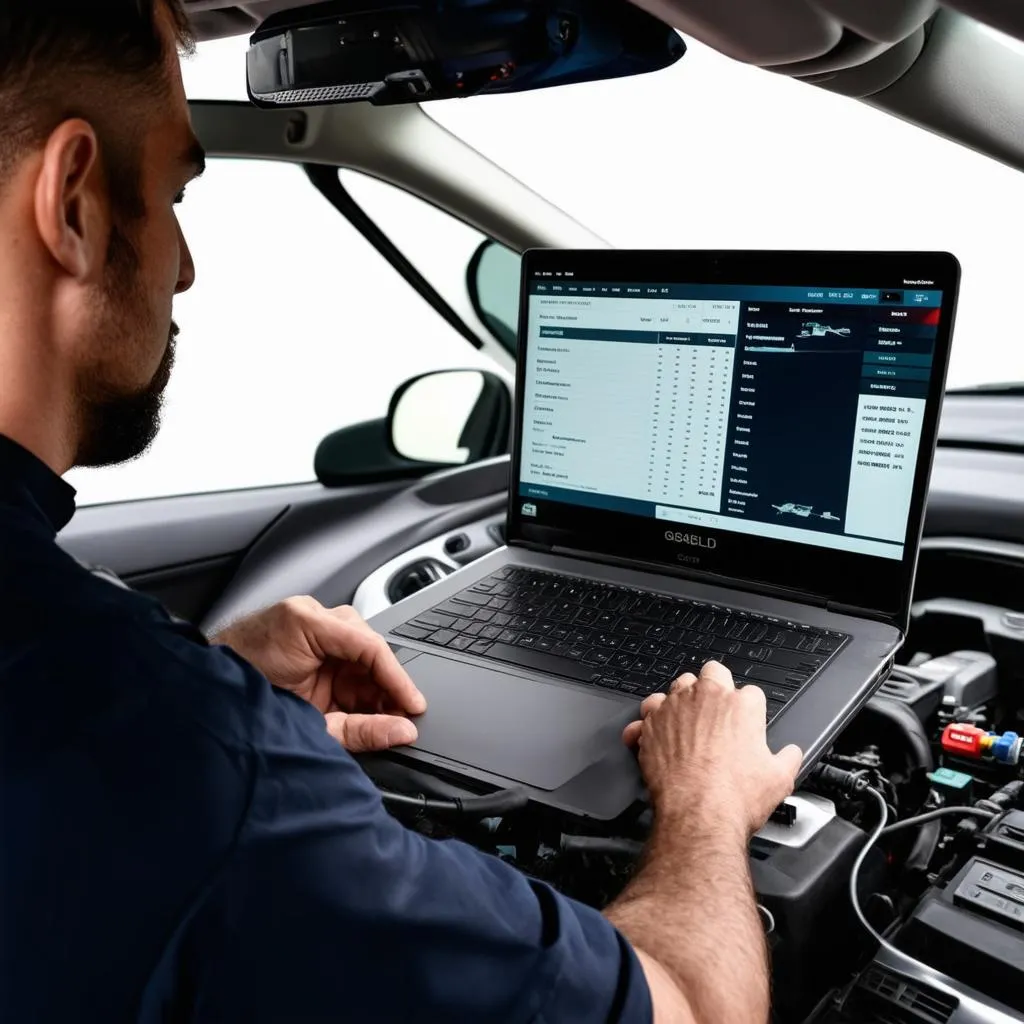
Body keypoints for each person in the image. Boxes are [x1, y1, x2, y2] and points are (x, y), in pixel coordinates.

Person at [0, 3, 802, 1021]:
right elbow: (693, 1006)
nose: (185, 267)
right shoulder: (183, 759)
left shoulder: (110, 702)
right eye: (173, 190)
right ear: (72, 203)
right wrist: (706, 804)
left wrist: (208, 675)